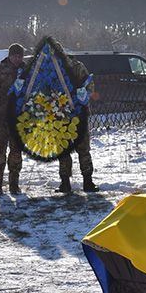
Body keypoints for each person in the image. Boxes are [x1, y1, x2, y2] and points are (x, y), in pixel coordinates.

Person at [0, 43, 26, 194]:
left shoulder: (26, 71)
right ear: (9, 56)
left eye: (20, 55)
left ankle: (14, 185)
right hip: (1, 119)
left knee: (16, 154)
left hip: (19, 121)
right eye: (14, 55)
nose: (17, 58)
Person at [57, 45, 98, 193]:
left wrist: (84, 95)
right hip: (61, 115)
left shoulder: (77, 67)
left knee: (83, 148)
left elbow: (89, 84)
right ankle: (65, 183)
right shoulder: (53, 69)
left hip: (79, 113)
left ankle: (88, 181)